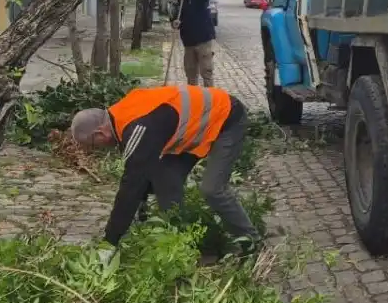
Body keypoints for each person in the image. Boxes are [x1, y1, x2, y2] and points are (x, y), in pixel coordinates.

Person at [70, 85, 260, 260]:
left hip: (226, 117)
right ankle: (179, 244)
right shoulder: (120, 115)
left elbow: (131, 187)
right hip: (193, 129)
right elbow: (142, 169)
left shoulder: (138, 126)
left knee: (212, 189)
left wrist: (109, 241)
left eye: (94, 146)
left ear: (100, 133)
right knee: (165, 178)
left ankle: (251, 243)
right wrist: (142, 213)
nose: (98, 151)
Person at [170, 0, 215, 86]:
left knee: (206, 71)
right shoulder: (178, 3)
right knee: (190, 72)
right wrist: (174, 23)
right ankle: (193, 97)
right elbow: (173, 18)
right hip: (188, 42)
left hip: (203, 40)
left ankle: (210, 98)